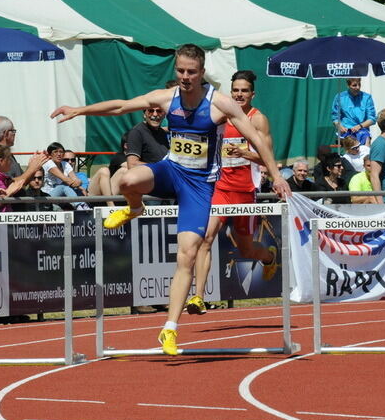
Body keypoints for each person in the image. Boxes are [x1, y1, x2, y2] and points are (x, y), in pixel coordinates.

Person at [51, 43, 290, 356]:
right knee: (127, 179)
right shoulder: (167, 97)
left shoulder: (220, 104)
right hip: (171, 170)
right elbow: (122, 106)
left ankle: (170, 328)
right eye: (180, 71)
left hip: (199, 186)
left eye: (191, 72)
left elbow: (257, 139)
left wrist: (277, 176)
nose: (185, 77)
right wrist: (79, 110)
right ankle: (135, 207)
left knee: (187, 254)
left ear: (202, 72)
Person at [188, 69, 279, 316]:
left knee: (246, 250)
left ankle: (269, 257)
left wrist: (245, 153)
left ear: (252, 94)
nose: (239, 95)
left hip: (246, 192)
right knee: (206, 238)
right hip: (221, 188)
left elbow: (268, 158)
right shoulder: (220, 116)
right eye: (236, 90)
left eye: (244, 91)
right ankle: (198, 296)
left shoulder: (258, 120)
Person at [331, 78, 376, 145]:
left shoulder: (367, 97)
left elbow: (372, 119)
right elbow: (335, 117)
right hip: (346, 131)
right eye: (354, 85)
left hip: (362, 131)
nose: (358, 87)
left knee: (366, 142)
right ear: (348, 85)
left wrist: (360, 126)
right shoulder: (340, 97)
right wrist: (340, 126)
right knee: (349, 144)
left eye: (359, 84)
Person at [41, 142, 85, 209]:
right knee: (63, 187)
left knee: (69, 188)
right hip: (48, 195)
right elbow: (65, 179)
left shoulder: (65, 164)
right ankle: (80, 205)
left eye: (61, 152)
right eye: (55, 152)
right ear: (50, 155)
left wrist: (79, 185)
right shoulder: (49, 163)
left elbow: (75, 179)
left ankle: (82, 206)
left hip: (62, 195)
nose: (59, 154)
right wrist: (79, 185)